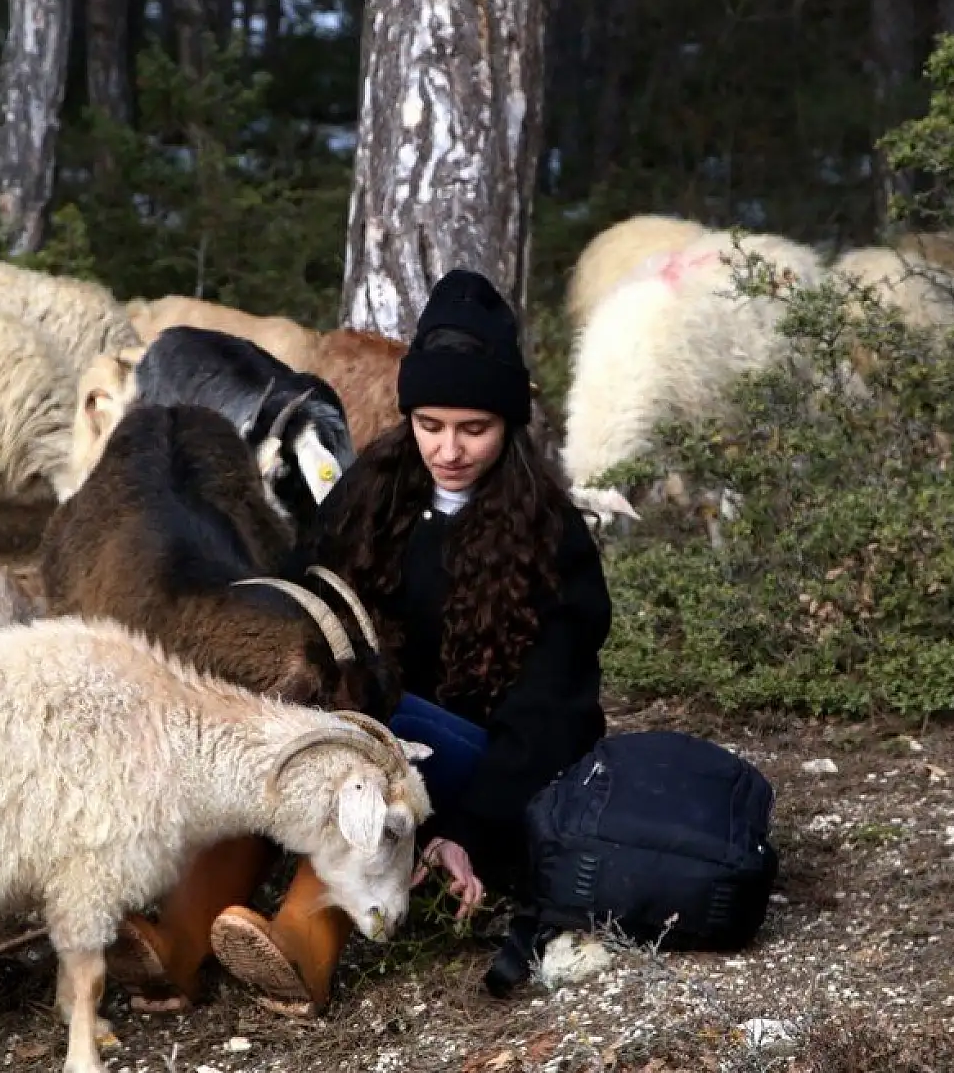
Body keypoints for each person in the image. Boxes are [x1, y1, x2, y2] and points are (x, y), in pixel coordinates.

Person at [103, 268, 613, 1017]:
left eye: (475, 428)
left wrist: (470, 827)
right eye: (430, 424)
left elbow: (551, 713)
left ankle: (305, 943)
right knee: (301, 721)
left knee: (358, 735)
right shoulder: (369, 489)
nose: (449, 449)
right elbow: (302, 600)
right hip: (372, 726)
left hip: (488, 766)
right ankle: (177, 944)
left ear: (509, 425)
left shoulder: (553, 535)